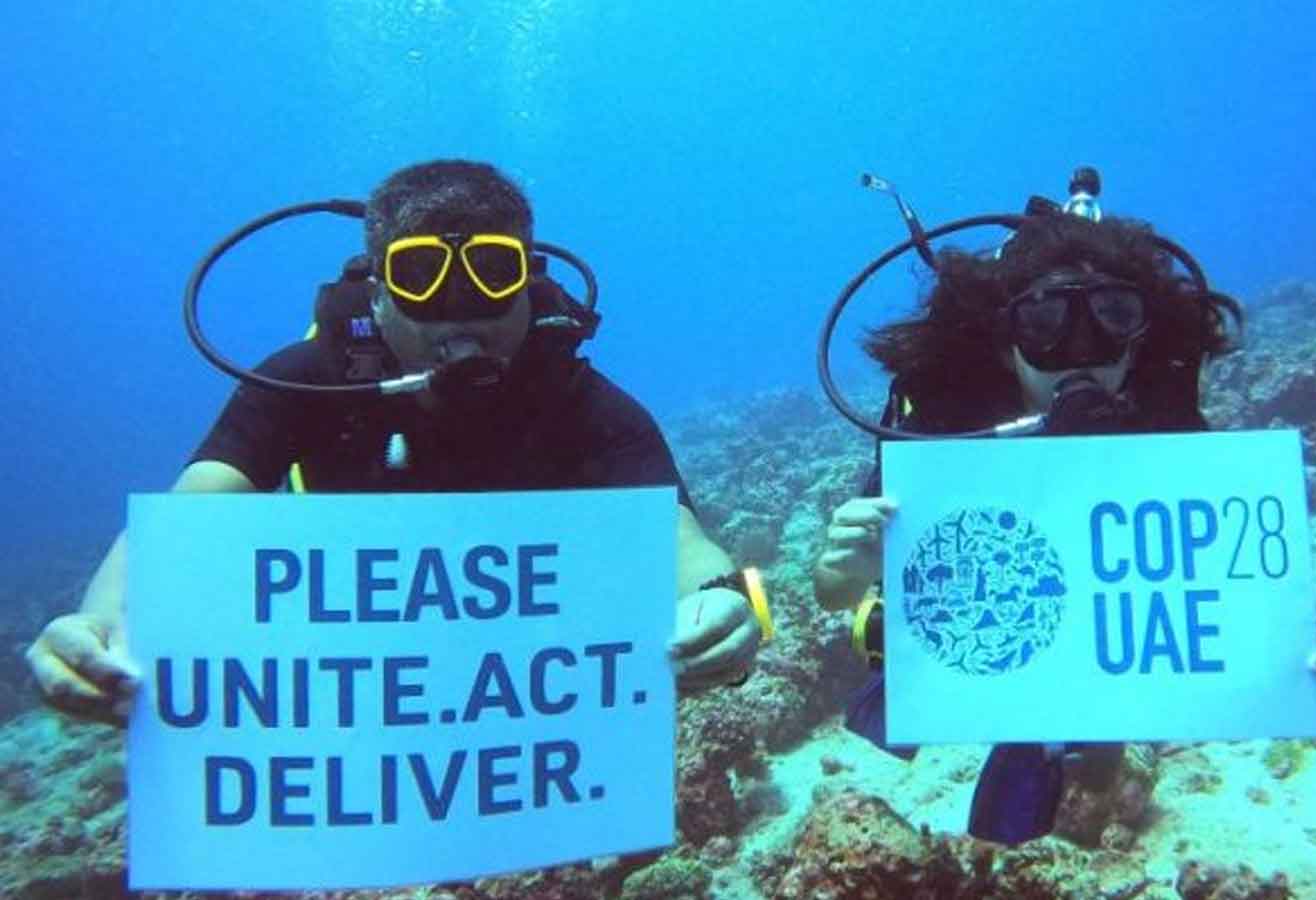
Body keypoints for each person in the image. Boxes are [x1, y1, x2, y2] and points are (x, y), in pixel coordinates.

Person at [27, 159, 764, 723]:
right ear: (375, 292)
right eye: (419, 275)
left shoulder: (579, 399)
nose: (458, 307)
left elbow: (677, 538)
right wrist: (101, 618)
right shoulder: (306, 380)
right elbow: (192, 513)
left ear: (528, 280)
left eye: (492, 271)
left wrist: (717, 604)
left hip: (518, 694)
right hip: (359, 685)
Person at [813, 179, 1316, 844]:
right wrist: (849, 565)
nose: (1080, 352)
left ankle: (1067, 740)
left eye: (1112, 318)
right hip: (999, 608)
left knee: (1095, 772)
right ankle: (1042, 742)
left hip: (1094, 621)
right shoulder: (951, 422)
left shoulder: (1157, 415)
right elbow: (834, 592)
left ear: (1139, 335)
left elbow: (1229, 575)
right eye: (1044, 325)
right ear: (1007, 343)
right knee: (1032, 734)